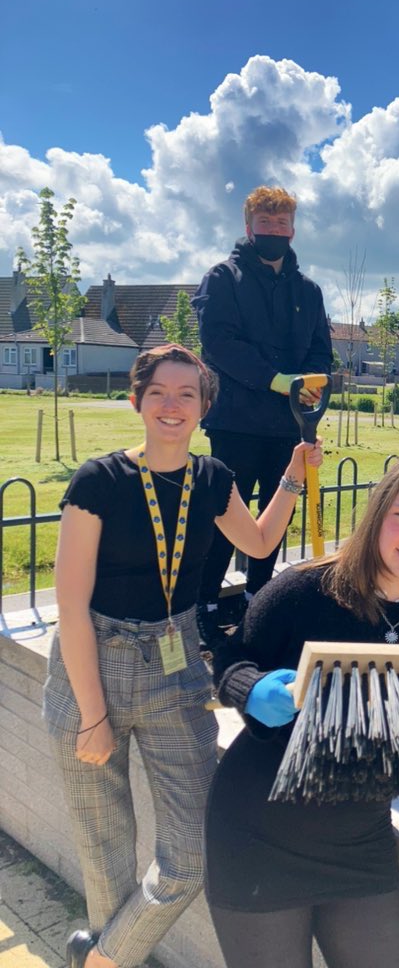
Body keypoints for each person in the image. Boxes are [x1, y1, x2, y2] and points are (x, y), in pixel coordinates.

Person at [44, 343, 322, 968]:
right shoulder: (98, 482)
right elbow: (69, 604)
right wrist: (92, 714)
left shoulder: (212, 479)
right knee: (104, 851)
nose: (173, 406)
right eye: (160, 393)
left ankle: (101, 957)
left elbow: (259, 539)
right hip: (93, 662)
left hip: (175, 666)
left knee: (190, 854)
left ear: (202, 408)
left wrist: (290, 477)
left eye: (187, 395)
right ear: (137, 399)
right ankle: (116, 954)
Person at [204, 447, 399, 968]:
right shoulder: (304, 591)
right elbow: (228, 659)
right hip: (256, 834)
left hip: (360, 846)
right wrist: (250, 689)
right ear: (379, 514)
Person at [193, 185, 333, 640]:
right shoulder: (223, 279)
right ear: (249, 226)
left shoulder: (308, 291)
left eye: (282, 223)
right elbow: (220, 344)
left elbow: (319, 349)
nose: (275, 230)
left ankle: (258, 598)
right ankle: (205, 606)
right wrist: (276, 380)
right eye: (265, 223)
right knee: (224, 515)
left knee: (277, 515)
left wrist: (310, 386)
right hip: (235, 422)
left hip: (288, 426)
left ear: (293, 228)